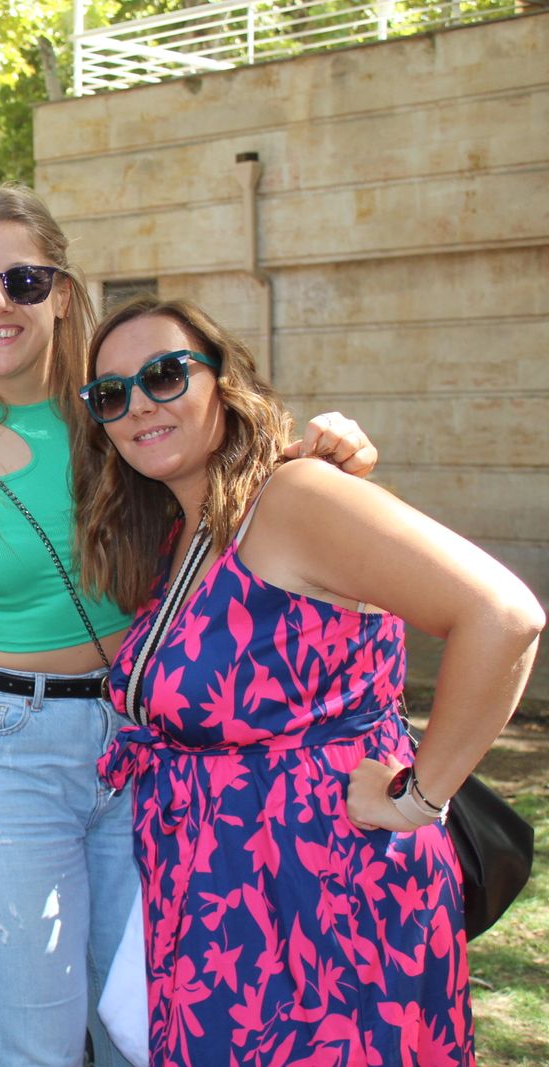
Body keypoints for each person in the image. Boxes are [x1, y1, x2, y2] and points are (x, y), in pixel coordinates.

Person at [0, 184, 380, 1067]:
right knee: (33, 1041)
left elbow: (256, 478)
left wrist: (336, 447)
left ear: (63, 291)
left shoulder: (131, 411)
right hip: (5, 754)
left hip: (156, 741)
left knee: (152, 1023)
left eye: (23, 280)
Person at [75, 297, 542, 1066]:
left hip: (328, 892)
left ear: (223, 383)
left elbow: (502, 615)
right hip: (226, 904)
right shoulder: (180, 528)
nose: (138, 405)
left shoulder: (294, 497)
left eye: (163, 375)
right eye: (112, 394)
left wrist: (421, 794)